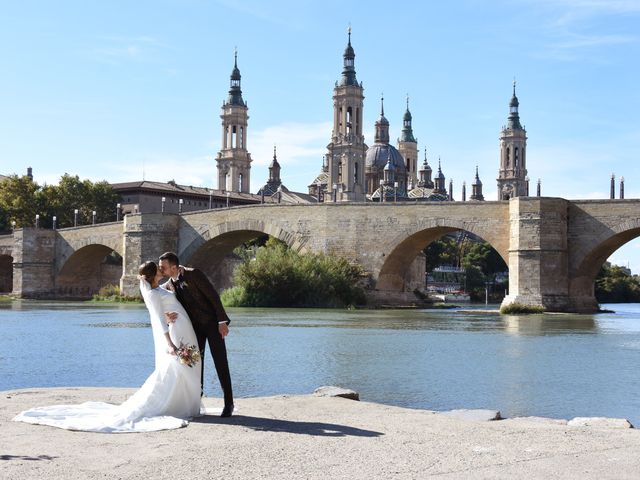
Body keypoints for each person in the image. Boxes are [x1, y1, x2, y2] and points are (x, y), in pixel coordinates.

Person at [12, 262, 202, 432]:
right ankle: (174, 403)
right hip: (174, 333)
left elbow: (163, 308)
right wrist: (169, 343)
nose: (162, 269)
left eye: (163, 267)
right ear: (153, 275)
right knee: (174, 367)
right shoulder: (152, 293)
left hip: (181, 328)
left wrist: (169, 312)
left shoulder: (159, 288)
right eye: (159, 268)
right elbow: (158, 319)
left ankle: (183, 402)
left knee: (183, 366)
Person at [158, 252, 234, 417]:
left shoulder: (194, 274)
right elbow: (154, 300)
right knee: (193, 363)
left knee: (220, 362)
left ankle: (229, 403)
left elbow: (213, 296)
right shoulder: (169, 284)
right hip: (193, 330)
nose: (160, 269)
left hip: (213, 325)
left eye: (163, 267)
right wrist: (165, 316)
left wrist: (222, 321)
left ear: (173, 266)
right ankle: (195, 400)